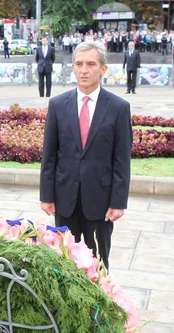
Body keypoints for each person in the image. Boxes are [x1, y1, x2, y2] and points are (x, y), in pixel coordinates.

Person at [40, 41, 133, 269]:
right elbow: (49, 155)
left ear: (103, 69)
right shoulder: (58, 105)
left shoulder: (118, 108)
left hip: (100, 203)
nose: (84, 69)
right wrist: (46, 195)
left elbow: (121, 159)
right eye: (79, 64)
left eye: (91, 64)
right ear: (72, 67)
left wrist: (118, 202)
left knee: (97, 263)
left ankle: (99, 304)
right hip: (64, 200)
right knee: (63, 261)